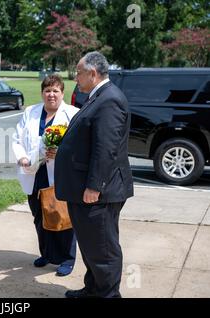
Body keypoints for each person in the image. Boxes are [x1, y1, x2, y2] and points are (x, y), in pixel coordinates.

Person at [54, 51, 134, 298]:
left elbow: (106, 148)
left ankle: (109, 294)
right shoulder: (97, 96)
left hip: (99, 191)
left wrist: (94, 186)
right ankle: (94, 289)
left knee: (103, 249)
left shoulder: (110, 99)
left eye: (78, 73)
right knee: (91, 246)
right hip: (85, 190)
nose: (75, 77)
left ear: (92, 73)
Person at [12, 74, 79, 276]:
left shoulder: (72, 114)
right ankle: (47, 254)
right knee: (39, 216)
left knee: (61, 215)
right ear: (42, 93)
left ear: (62, 93)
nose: (51, 95)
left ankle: (67, 259)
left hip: (59, 174)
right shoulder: (30, 112)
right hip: (34, 172)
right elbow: (17, 138)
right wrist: (22, 157)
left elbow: (80, 145)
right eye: (47, 90)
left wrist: (61, 153)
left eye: (55, 91)